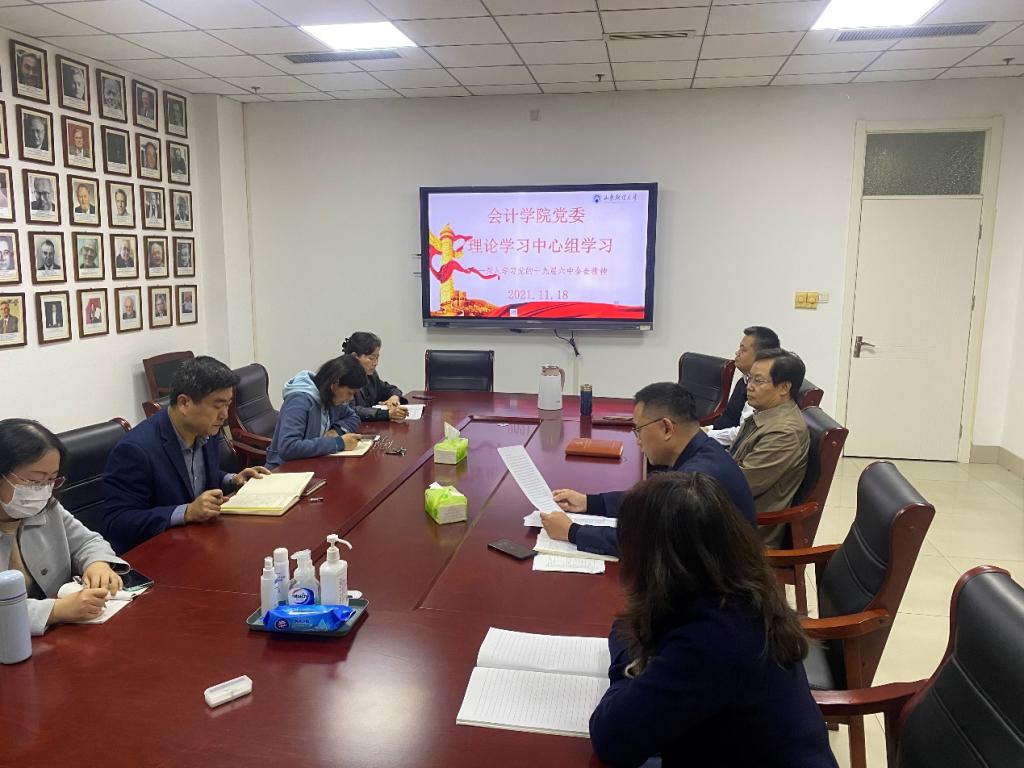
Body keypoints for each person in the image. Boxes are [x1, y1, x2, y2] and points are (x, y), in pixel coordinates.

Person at [588, 473, 837, 768]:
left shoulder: (712, 638)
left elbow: (612, 738)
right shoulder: (742, 589)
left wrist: (628, 670)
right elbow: (626, 630)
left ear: (654, 562)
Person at [542, 383, 755, 557]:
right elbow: (649, 501)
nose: (637, 441)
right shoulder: (703, 449)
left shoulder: (693, 480)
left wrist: (572, 532)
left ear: (666, 428)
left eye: (638, 430)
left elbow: (646, 543)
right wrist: (589, 502)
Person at [102, 356, 270, 554]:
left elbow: (195, 477)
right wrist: (187, 512)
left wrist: (233, 480)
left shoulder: (206, 430)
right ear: (184, 403)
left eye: (228, 404)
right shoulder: (136, 450)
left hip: (198, 542)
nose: (225, 414)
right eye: (217, 405)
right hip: (157, 554)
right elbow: (118, 522)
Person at [0, 419, 130, 636]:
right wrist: (56, 611)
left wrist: (97, 564)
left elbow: (87, 542)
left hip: (59, 636)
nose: (43, 491)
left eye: (52, 480)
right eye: (34, 481)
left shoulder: (46, 507)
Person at [732, 348, 810, 546]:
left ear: (784, 388)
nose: (749, 386)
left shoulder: (784, 432)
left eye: (758, 381)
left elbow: (739, 485)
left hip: (744, 532)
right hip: (732, 514)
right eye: (749, 378)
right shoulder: (765, 415)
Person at [265, 356, 366, 470]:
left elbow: (353, 417)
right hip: (284, 470)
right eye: (349, 393)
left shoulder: (330, 397)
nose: (350, 398)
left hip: (313, 463)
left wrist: (337, 430)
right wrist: (338, 443)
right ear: (335, 383)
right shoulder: (299, 401)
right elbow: (288, 447)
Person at [708, 325, 780, 448]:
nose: (737, 353)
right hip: (720, 439)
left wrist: (708, 434)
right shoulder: (744, 380)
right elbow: (729, 419)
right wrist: (706, 430)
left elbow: (745, 433)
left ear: (761, 355)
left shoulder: (763, 389)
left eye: (743, 350)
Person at [343, 332, 407, 422]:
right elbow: (350, 410)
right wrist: (384, 414)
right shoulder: (343, 376)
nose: (376, 363)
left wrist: (394, 397)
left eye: (377, 358)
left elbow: (388, 389)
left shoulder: (371, 374)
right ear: (354, 356)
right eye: (371, 358)